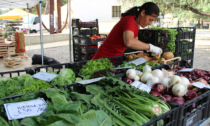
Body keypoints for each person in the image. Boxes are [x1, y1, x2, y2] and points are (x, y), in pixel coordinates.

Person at [92, 2, 162, 60]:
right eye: (150, 20)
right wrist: (151, 47)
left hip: (115, 59)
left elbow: (135, 43)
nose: (150, 23)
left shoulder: (136, 24)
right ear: (143, 13)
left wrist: (149, 51)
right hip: (104, 58)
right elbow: (129, 42)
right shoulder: (129, 20)